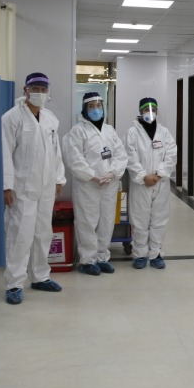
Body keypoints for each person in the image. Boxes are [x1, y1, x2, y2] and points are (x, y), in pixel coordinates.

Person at [1, 72, 67, 305]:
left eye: (43, 89)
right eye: (35, 88)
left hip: (46, 187)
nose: (39, 93)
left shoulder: (50, 118)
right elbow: (4, 153)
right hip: (22, 188)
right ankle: (14, 284)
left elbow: (56, 152)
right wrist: (7, 186)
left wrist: (59, 179)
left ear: (48, 92)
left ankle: (40, 276)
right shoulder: (11, 117)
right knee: (20, 235)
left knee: (43, 233)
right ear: (25, 90)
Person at [62, 91, 128, 276]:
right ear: (84, 109)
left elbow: (121, 155)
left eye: (99, 106)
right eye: (91, 106)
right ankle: (87, 260)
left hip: (109, 184)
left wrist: (113, 172)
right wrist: (93, 176)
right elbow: (74, 159)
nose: (96, 110)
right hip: (88, 185)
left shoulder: (109, 130)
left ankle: (102, 257)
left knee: (107, 221)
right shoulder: (78, 131)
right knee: (87, 222)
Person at [125, 97, 177, 270]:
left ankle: (155, 254)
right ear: (140, 112)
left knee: (159, 219)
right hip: (141, 184)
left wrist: (158, 174)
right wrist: (143, 176)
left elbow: (171, 155)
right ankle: (140, 254)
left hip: (160, 183)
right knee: (139, 220)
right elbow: (130, 157)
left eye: (153, 109)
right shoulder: (132, 133)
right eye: (146, 110)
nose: (150, 113)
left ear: (157, 111)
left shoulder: (164, 132)